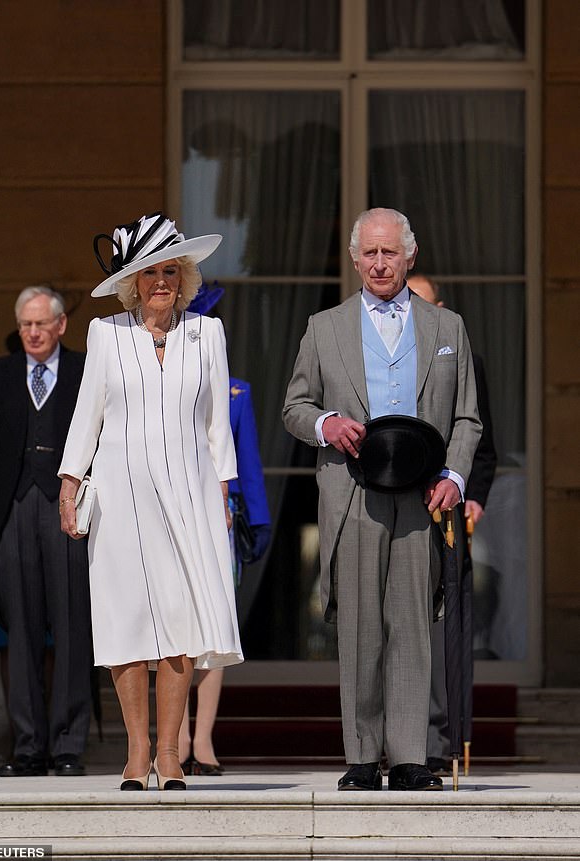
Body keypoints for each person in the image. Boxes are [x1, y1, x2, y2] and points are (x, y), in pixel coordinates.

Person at [283, 208, 482, 792]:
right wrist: (326, 425)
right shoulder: (325, 327)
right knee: (362, 628)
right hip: (353, 495)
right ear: (354, 258)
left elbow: (468, 418)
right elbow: (294, 406)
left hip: (422, 497)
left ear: (409, 256)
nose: (378, 263)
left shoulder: (449, 329)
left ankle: (413, 756)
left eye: (388, 253)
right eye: (368, 253)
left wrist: (455, 476)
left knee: (413, 627)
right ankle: (363, 757)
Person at [58, 211, 243, 792]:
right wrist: (70, 484)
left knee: (182, 620)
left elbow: (218, 425)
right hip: (118, 495)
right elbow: (86, 413)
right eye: (148, 273)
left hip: (190, 496)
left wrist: (223, 495)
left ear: (183, 278)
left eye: (170, 271)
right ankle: (136, 751)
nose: (160, 282)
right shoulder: (106, 335)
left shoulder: (205, 334)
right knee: (125, 621)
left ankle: (170, 753)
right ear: (132, 282)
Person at [0, 286, 92, 777]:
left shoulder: (85, 371)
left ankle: (67, 746)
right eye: (25, 325)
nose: (33, 333)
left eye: (41, 324)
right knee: (22, 634)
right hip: (11, 514)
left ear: (60, 325)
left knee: (73, 629)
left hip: (69, 514)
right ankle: (29, 747)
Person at [178, 284, 271, 775]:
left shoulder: (237, 392)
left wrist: (258, 520)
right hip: (172, 515)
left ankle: (204, 741)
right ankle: (174, 739)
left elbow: (248, 463)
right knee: (175, 629)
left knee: (214, 628)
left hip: (221, 520)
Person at [407, 274, 498, 776]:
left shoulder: (466, 361)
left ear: (440, 309)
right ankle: (394, 739)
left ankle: (440, 740)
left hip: (447, 510)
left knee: (446, 631)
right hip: (396, 510)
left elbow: (484, 443)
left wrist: (473, 495)